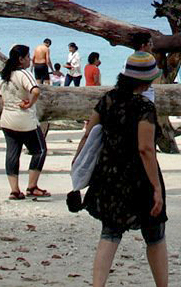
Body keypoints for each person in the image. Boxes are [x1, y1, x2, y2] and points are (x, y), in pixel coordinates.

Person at [73, 52, 167, 286]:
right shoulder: (145, 106)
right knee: (155, 235)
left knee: (110, 233)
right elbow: (145, 149)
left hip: (109, 173)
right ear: (147, 80)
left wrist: (77, 164)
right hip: (138, 176)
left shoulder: (107, 99)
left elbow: (89, 134)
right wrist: (156, 187)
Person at [0, 44, 49, 200]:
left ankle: (14, 190)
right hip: (25, 120)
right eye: (27, 57)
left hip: (7, 120)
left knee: (12, 153)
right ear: (20, 59)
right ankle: (32, 186)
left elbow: (2, 98)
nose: (30, 60)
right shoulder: (23, 73)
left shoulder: (4, 76)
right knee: (40, 151)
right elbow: (36, 90)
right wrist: (30, 103)